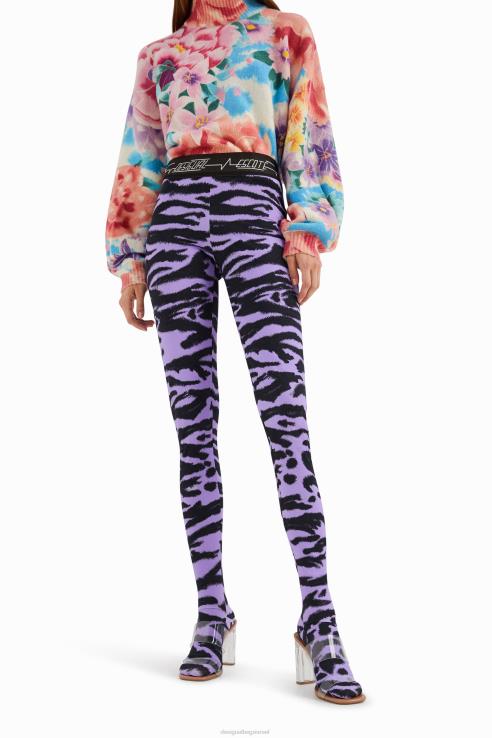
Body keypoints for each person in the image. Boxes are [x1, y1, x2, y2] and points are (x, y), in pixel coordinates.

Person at [105, 0, 365, 705]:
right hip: (175, 226)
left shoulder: (286, 34)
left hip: (256, 214)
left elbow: (309, 132)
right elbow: (140, 157)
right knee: (193, 430)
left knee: (286, 423)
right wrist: (130, 260)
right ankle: (212, 610)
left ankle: (320, 618)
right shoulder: (159, 55)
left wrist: (307, 231)